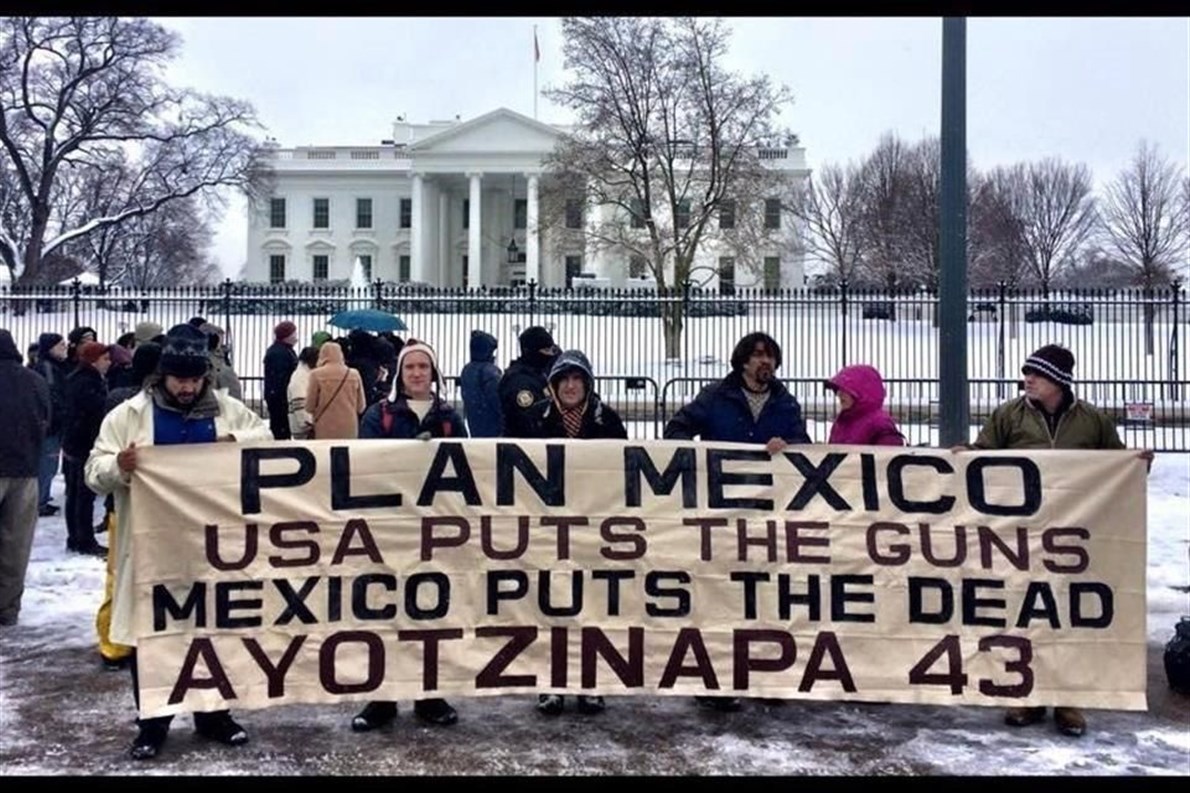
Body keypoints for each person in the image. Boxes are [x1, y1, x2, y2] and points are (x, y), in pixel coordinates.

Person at [85, 323, 274, 760]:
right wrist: (121, 464)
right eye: (180, 379)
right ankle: (153, 721)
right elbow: (93, 473)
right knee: (155, 636)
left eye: (194, 380)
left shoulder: (224, 409)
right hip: (155, 548)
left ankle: (214, 715)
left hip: (216, 546)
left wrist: (233, 440)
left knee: (216, 630)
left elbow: (266, 438)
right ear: (162, 378)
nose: (187, 387)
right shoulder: (129, 416)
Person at [958, 343, 1153, 738]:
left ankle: (1069, 701)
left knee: (1065, 615)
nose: (1028, 380)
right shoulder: (1008, 415)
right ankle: (1027, 695)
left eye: (1038, 374)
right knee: (1026, 612)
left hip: (1072, 538)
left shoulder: (1092, 421)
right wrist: (966, 456)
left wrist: (1135, 465)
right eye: (1027, 373)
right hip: (1021, 537)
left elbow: (1114, 466)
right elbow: (983, 458)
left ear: (1060, 381)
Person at [663, 331, 811, 712]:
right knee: (720, 597)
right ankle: (716, 680)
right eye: (758, 356)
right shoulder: (716, 396)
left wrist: (790, 448)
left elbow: (806, 452)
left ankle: (765, 677)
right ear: (742, 361)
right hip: (721, 516)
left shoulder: (785, 403)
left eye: (771, 357)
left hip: (766, 518)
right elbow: (676, 429)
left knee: (765, 597)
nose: (766, 363)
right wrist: (701, 456)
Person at [353, 339, 466, 731]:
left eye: (424, 367)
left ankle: (428, 694)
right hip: (389, 526)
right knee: (385, 610)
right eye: (410, 367)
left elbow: (467, 469)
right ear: (400, 374)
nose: (417, 373)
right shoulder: (378, 415)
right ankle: (382, 697)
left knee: (429, 612)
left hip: (434, 529)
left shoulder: (450, 417)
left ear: (433, 373)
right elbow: (364, 467)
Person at [523, 349, 627, 716]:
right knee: (549, 607)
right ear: (552, 384)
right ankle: (550, 683)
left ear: (587, 384)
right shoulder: (533, 419)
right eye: (563, 379)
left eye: (577, 379)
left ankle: (590, 682)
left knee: (592, 607)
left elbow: (623, 475)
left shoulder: (608, 421)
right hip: (546, 527)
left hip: (594, 527)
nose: (570, 386)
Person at [94, 343, 162, 672]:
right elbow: (100, 461)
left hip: (135, 509)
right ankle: (117, 641)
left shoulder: (116, 395)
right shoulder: (127, 408)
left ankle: (116, 644)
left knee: (118, 577)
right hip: (128, 506)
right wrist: (120, 465)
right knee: (122, 577)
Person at [0, 329, 51, 627]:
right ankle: (7, 609)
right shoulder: (35, 381)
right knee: (15, 546)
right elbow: (49, 419)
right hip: (26, 471)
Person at [62, 341, 111, 557]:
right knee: (83, 494)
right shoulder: (87, 382)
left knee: (75, 494)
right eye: (105, 359)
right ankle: (84, 539)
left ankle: (76, 536)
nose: (108, 363)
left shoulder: (77, 378)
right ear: (94, 360)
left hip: (74, 441)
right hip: (84, 443)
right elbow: (95, 411)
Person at [32, 333, 69, 517]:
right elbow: (52, 395)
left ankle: (42, 498)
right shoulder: (47, 368)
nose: (65, 347)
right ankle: (40, 501)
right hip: (51, 424)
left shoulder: (55, 366)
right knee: (47, 464)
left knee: (49, 463)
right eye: (60, 345)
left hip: (53, 422)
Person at [498, 325, 559, 438]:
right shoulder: (519, 381)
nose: (550, 355)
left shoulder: (538, 374)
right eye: (546, 350)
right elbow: (529, 420)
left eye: (552, 350)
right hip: (523, 445)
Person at [824, 364, 905, 446]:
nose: (839, 394)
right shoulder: (844, 420)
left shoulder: (880, 424)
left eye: (845, 389)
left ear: (862, 393)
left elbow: (888, 456)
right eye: (838, 389)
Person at [305, 341, 368, 440]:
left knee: (325, 454)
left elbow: (309, 406)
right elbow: (361, 407)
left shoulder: (316, 375)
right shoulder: (354, 374)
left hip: (324, 427)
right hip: (349, 427)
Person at [459, 330, 503, 437]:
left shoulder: (467, 369)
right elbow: (498, 402)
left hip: (475, 424)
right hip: (493, 426)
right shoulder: (489, 371)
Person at [263, 320, 299, 440]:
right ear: (286, 336)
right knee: (281, 428)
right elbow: (281, 378)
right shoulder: (279, 353)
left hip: (278, 396)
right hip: (280, 398)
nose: (296, 337)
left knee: (281, 427)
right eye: (293, 334)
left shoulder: (284, 350)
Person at [287, 346, 321, 440]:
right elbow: (300, 404)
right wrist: (309, 423)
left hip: (302, 427)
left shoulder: (303, 375)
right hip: (305, 431)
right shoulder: (300, 378)